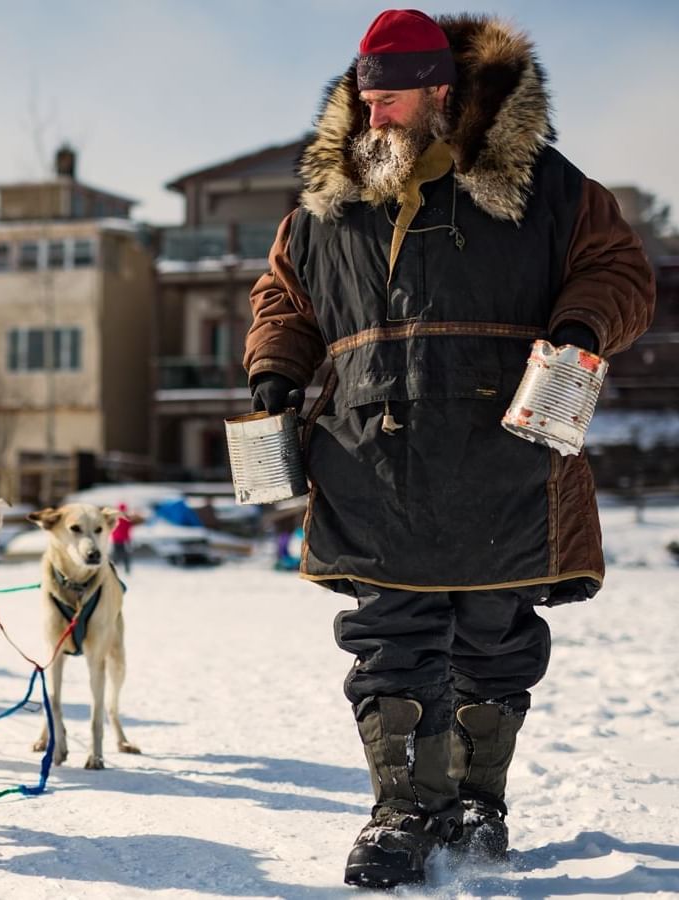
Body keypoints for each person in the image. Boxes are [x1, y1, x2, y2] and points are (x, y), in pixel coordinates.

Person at [243, 9, 655, 888]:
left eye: (390, 97)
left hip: (504, 451)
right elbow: (284, 299)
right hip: (370, 454)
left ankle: (476, 802)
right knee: (389, 636)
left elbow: (619, 267)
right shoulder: (323, 209)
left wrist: (583, 322)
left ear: (441, 90)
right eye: (365, 96)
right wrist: (277, 368)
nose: (374, 113)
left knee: (494, 633)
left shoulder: (549, 187)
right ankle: (403, 810)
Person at [110, 502, 134, 574]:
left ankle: (113, 569)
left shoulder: (115, 518)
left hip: (116, 539)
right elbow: (129, 529)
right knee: (125, 554)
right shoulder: (127, 518)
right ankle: (127, 569)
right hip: (123, 540)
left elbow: (112, 528)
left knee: (116, 554)